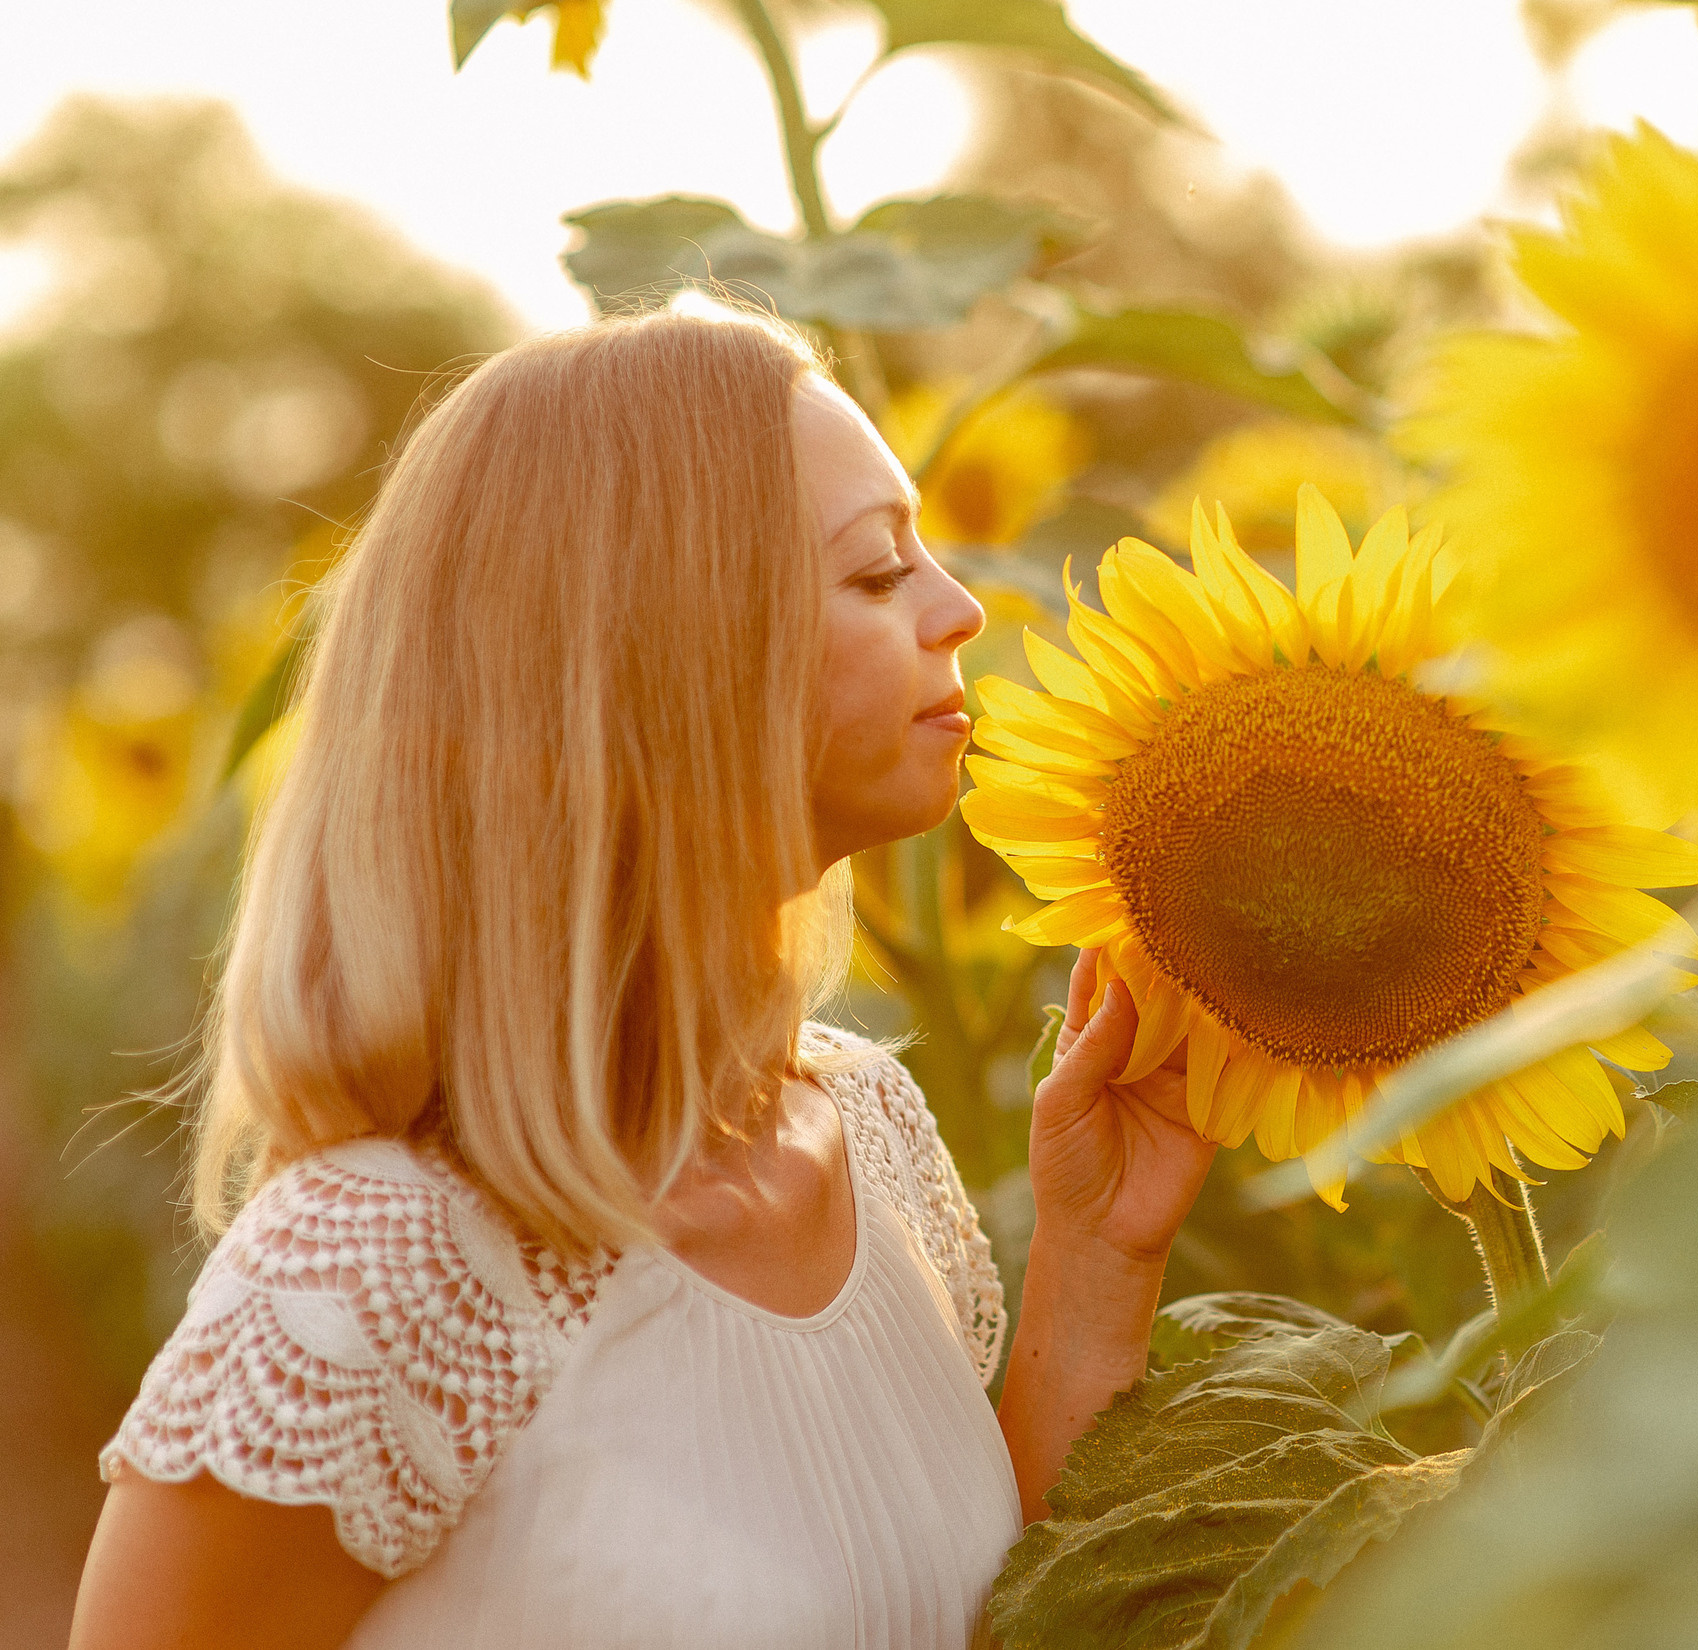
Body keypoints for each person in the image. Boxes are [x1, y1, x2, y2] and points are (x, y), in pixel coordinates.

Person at [66, 308, 1217, 1650]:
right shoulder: (383, 1261)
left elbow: (962, 1611)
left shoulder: (870, 1133)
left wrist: (1096, 1261)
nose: (960, 609)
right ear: (666, 655)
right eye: (876, 572)